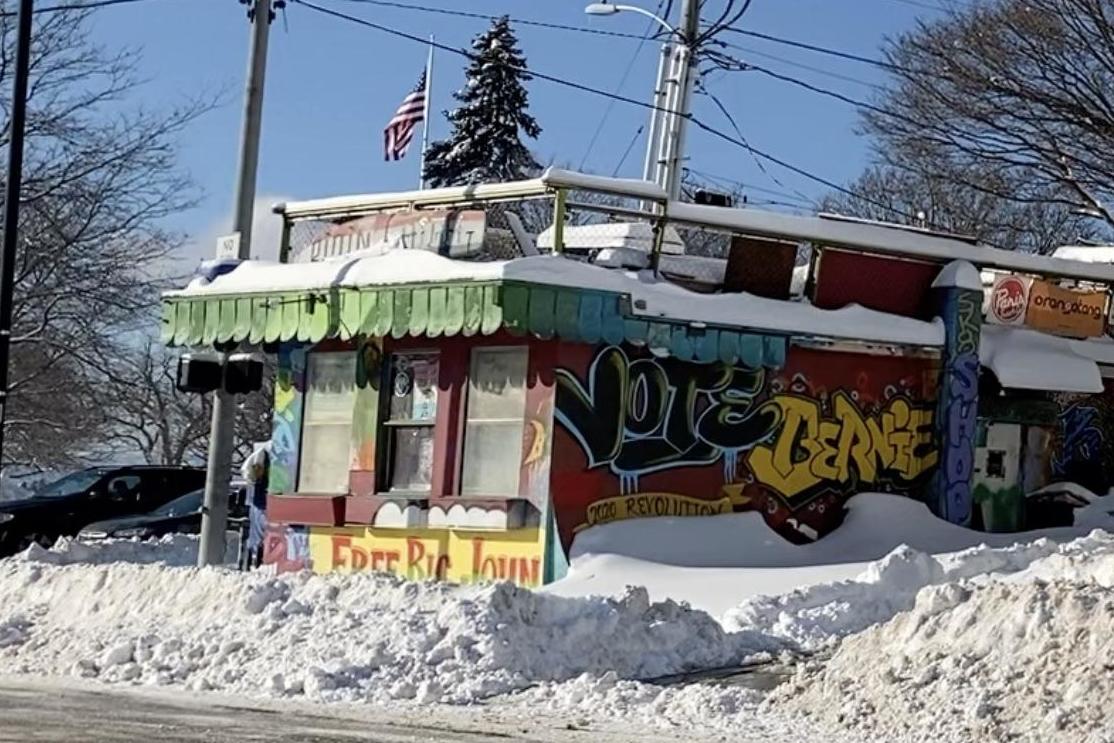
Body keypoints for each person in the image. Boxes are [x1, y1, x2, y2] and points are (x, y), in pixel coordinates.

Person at [240, 441, 270, 569]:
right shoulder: (258, 485)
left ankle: (255, 563)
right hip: (263, 507)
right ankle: (256, 563)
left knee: (258, 540)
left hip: (262, 507)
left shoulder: (257, 484)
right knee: (259, 539)